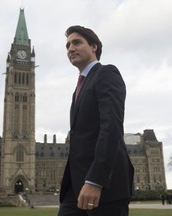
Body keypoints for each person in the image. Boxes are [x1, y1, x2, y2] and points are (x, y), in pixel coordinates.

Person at [57, 25, 134, 216]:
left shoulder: (106, 73)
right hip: (75, 188)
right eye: (67, 46)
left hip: (104, 186)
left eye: (76, 42)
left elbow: (111, 128)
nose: (70, 49)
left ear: (94, 46)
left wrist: (95, 180)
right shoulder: (77, 90)